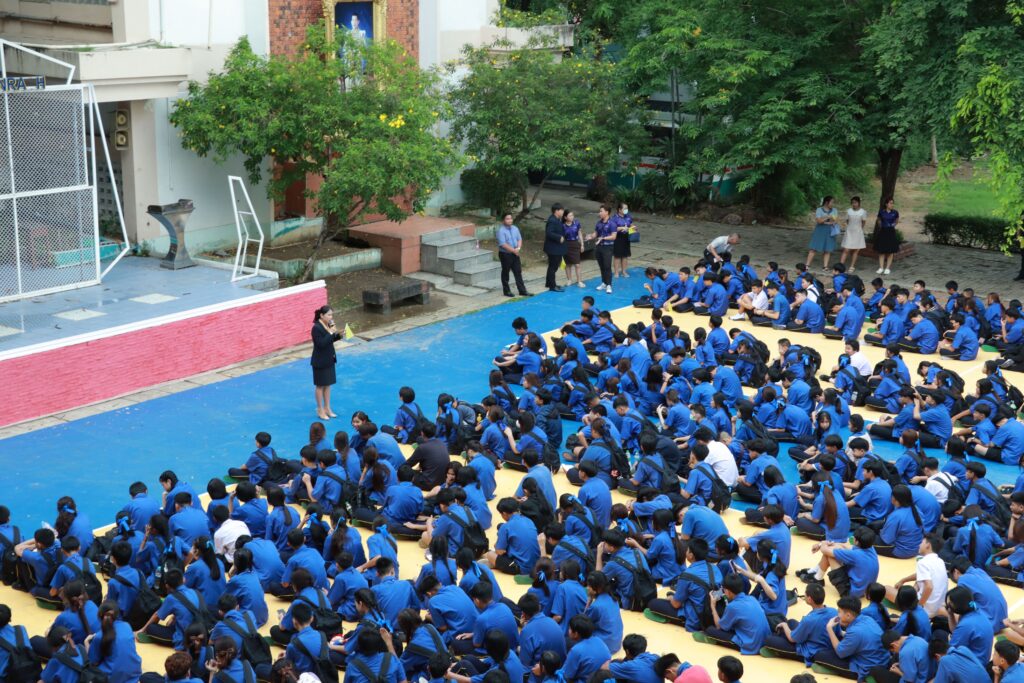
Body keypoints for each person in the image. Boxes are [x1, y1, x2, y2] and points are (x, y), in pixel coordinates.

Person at [311, 305, 342, 421]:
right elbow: (321, 344)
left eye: (331, 315)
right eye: (329, 315)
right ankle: (320, 409)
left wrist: (338, 335)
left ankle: (327, 408)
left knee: (328, 384)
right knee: (320, 386)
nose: (331, 317)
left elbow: (330, 340)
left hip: (329, 358)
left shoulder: (329, 325)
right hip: (320, 361)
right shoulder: (316, 328)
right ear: (322, 315)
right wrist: (330, 333)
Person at [496, 213, 530, 298]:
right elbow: (503, 244)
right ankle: (506, 291)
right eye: (507, 219)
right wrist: (514, 250)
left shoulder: (515, 228)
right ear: (503, 220)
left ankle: (522, 290)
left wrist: (518, 248)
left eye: (510, 218)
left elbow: (519, 239)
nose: (510, 220)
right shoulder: (501, 231)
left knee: (518, 271)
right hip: (505, 254)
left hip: (515, 253)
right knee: (506, 272)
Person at [808, 196, 839, 272]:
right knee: (813, 248)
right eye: (831, 202)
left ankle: (825, 266)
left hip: (830, 230)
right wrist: (828, 217)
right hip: (820, 230)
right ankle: (807, 265)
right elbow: (819, 221)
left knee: (827, 249)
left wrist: (830, 220)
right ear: (826, 202)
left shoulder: (834, 210)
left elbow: (836, 220)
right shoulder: (819, 210)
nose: (833, 204)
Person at [590, 205, 617, 293]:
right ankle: (604, 283)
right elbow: (595, 233)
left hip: (608, 247)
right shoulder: (599, 223)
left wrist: (603, 238)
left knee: (607, 266)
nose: (599, 213)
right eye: (600, 211)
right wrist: (591, 236)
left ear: (607, 212)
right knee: (601, 266)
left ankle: (609, 285)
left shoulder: (612, 223)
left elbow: (614, 236)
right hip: (599, 247)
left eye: (601, 211)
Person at [543, 203, 567, 292]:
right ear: (556, 211)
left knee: (553, 266)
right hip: (553, 248)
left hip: (556, 248)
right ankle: (552, 286)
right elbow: (549, 233)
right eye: (562, 210)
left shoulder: (557, 219)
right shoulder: (552, 220)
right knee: (553, 267)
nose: (563, 212)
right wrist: (559, 237)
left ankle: (549, 283)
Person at [840, 196, 867, 272]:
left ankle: (852, 266)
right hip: (849, 232)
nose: (854, 204)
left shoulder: (863, 212)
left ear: (859, 203)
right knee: (846, 249)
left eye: (855, 202)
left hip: (858, 232)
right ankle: (840, 265)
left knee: (856, 250)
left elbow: (863, 222)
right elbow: (847, 221)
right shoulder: (848, 211)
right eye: (852, 203)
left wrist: (859, 229)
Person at [874, 198, 900, 275]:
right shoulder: (881, 212)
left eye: (892, 203)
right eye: (890, 203)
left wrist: (892, 225)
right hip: (883, 232)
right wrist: (880, 225)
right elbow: (878, 219)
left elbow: (897, 220)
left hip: (891, 232)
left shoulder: (895, 212)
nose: (892, 205)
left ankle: (887, 268)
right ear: (886, 204)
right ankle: (881, 267)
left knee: (890, 251)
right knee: (881, 251)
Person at [563, 210, 584, 287]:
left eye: (572, 215)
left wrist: (582, 244)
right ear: (565, 217)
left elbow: (580, 234)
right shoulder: (562, 226)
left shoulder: (577, 223)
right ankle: (569, 280)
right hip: (566, 245)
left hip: (575, 244)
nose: (572, 217)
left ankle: (579, 281)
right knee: (568, 264)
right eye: (570, 216)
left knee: (577, 264)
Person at [612, 202, 633, 277]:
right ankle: (616, 272)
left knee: (625, 255)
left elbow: (631, 226)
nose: (626, 210)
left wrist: (633, 228)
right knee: (617, 256)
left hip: (626, 238)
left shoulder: (628, 217)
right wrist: (622, 228)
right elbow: (613, 228)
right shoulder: (614, 218)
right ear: (619, 209)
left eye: (627, 208)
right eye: (625, 208)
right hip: (618, 238)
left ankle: (624, 271)